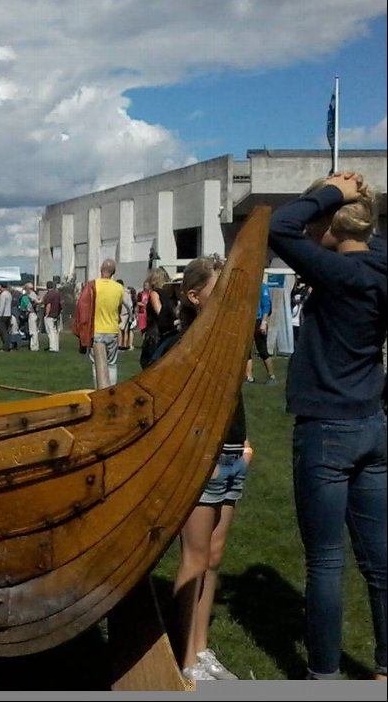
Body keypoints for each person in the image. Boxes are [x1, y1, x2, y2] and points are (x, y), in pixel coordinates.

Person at [267, 171, 386, 682]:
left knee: (326, 562)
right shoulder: (379, 266)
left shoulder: (342, 274)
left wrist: (332, 191)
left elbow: (279, 228)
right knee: (380, 563)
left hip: (327, 428)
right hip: (372, 422)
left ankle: (325, 677)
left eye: (321, 224)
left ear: (333, 225)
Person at [152, 256, 250, 682]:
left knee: (213, 557)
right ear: (194, 296)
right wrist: (200, 455)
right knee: (194, 557)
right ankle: (186, 657)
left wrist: (244, 445)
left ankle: (201, 648)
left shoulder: (228, 341)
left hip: (232, 456)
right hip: (201, 461)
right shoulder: (179, 346)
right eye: (219, 290)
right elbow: (162, 407)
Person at [72, 259, 125, 386]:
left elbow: (82, 307)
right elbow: (119, 308)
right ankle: (111, 391)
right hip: (112, 330)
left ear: (101, 270)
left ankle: (99, 391)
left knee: (97, 364)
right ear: (113, 273)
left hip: (96, 330)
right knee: (111, 364)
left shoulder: (92, 285)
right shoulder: (119, 288)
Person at [245, 280, 276, 384]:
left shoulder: (262, 287)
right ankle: (249, 377)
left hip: (259, 320)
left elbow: (266, 305)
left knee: (262, 350)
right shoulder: (247, 286)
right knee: (246, 351)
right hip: (248, 321)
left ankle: (271, 376)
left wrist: (264, 322)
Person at [41, 280, 62, 352]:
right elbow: (60, 305)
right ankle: (56, 347)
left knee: (50, 332)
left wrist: (46, 315)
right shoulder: (57, 294)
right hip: (56, 314)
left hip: (50, 315)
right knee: (55, 331)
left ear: (47, 287)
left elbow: (48, 305)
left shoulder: (48, 295)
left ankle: (52, 347)